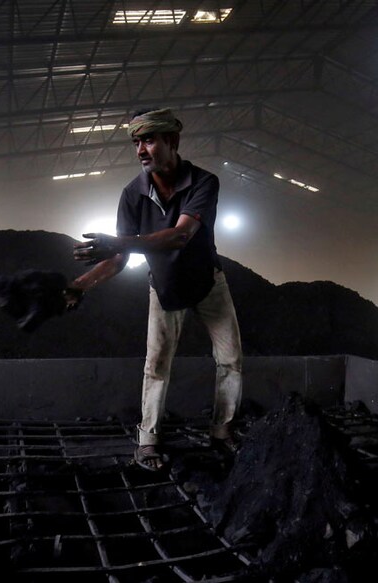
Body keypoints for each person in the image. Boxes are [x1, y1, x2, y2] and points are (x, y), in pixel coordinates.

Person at [67, 107, 243, 471]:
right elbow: (118, 259)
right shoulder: (133, 194)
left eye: (148, 140)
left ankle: (222, 432)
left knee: (230, 361)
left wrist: (120, 241)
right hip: (164, 288)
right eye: (136, 143)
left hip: (209, 283)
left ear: (172, 141)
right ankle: (147, 442)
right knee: (157, 366)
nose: (140, 150)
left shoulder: (203, 182)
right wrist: (80, 285)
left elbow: (180, 235)